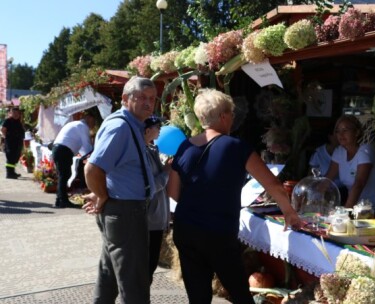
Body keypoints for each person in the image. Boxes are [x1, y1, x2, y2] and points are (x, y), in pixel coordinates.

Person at [167, 89, 302, 304]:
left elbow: (172, 192)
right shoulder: (236, 147)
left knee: (198, 297)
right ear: (222, 116)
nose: (233, 118)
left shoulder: (184, 147)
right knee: (240, 294)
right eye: (231, 113)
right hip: (218, 232)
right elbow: (273, 184)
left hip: (187, 229)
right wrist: (289, 213)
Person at [83, 76, 157, 304]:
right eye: (142, 97)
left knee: (110, 275)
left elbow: (111, 169)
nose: (148, 103)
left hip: (123, 210)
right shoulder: (121, 127)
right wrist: (103, 194)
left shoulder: (130, 124)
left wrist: (103, 191)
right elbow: (93, 169)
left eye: (152, 99)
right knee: (133, 284)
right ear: (125, 99)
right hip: (125, 212)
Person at [325, 114, 375, 208]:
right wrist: (313, 198)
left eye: (345, 130)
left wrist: (345, 211)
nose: (341, 134)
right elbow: (327, 179)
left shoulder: (366, 150)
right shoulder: (339, 152)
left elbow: (359, 184)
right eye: (338, 131)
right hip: (357, 208)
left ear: (356, 132)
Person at [143, 115, 171, 285]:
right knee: (148, 265)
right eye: (156, 126)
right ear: (147, 130)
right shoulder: (141, 154)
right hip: (150, 219)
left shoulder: (151, 149)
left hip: (157, 217)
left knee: (151, 264)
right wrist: (166, 172)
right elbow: (150, 187)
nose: (160, 128)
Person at [51, 113, 96, 208]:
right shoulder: (83, 126)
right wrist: (92, 155)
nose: (93, 125)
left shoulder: (75, 124)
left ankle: (59, 200)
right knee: (64, 176)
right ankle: (62, 200)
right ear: (88, 118)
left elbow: (82, 147)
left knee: (63, 176)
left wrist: (86, 154)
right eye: (93, 122)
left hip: (59, 149)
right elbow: (87, 147)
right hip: (63, 150)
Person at [1, 107, 25, 179]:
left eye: (17, 113)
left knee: (15, 157)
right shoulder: (8, 121)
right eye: (14, 113)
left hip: (18, 142)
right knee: (10, 158)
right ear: (11, 113)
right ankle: (9, 174)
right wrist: (6, 137)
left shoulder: (19, 121)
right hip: (10, 142)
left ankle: (12, 172)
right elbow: (3, 130)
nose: (15, 114)